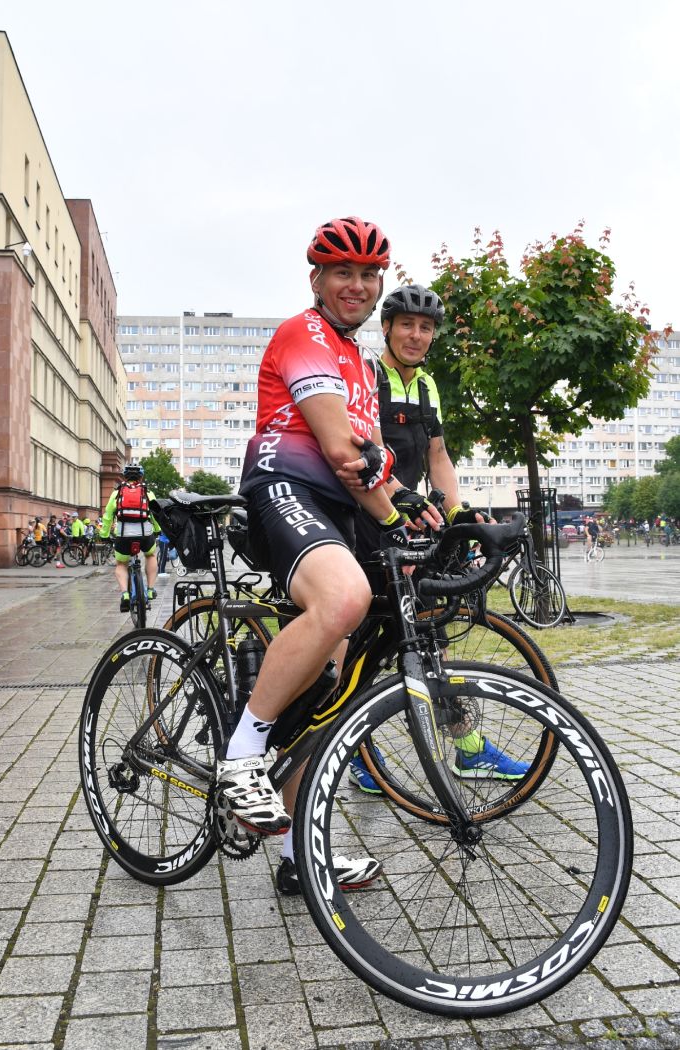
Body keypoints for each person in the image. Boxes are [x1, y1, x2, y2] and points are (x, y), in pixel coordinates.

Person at [219, 216, 443, 896]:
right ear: (316, 278)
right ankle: (241, 757)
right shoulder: (305, 335)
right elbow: (345, 452)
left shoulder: (361, 364)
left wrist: (425, 519)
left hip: (336, 507)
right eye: (343, 271)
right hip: (284, 487)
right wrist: (392, 503)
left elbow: (372, 471)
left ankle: (297, 854)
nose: (357, 285)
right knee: (344, 598)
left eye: (369, 274)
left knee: (328, 692)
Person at [350, 285, 529, 792]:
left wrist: (456, 509)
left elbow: (438, 456)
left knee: (430, 636)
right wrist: (401, 496)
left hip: (412, 522)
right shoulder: (367, 374)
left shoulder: (428, 385)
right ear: (387, 327)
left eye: (425, 327)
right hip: (366, 518)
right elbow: (364, 451)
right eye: (406, 324)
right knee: (356, 640)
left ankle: (468, 748)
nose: (416, 334)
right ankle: (354, 750)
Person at [100, 464, 161, 611]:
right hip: (145, 535)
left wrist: (104, 535)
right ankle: (150, 589)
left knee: (121, 564)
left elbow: (108, 516)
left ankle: (125, 594)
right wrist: (157, 530)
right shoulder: (147, 492)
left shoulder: (117, 493)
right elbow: (156, 514)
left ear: (125, 477)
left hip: (123, 535)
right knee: (150, 555)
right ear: (141, 477)